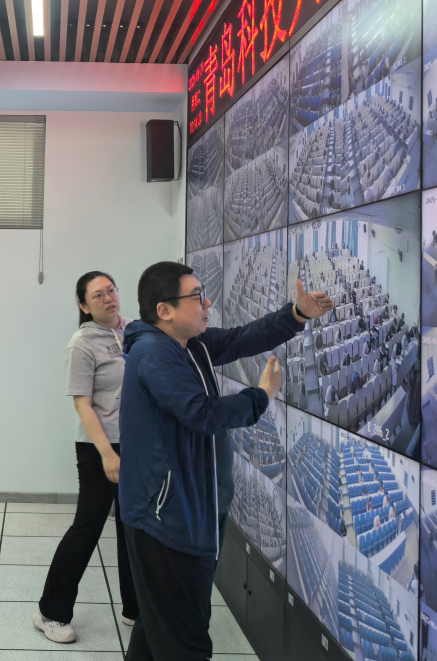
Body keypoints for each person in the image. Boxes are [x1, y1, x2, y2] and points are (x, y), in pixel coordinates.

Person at [118, 261, 333, 661]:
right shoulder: (154, 352)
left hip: (185, 512)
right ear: (164, 310)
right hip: (166, 519)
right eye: (197, 296)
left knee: (159, 627)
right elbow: (201, 414)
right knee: (186, 641)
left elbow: (240, 339)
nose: (207, 303)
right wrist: (262, 395)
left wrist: (296, 314)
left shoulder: (189, 343)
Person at [33, 272, 139, 644]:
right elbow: (83, 404)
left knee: (133, 525)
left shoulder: (135, 331)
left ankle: (135, 608)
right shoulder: (81, 344)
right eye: (98, 295)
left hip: (136, 444)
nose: (109, 298)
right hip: (98, 448)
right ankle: (50, 612)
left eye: (111, 290)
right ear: (83, 305)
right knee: (88, 526)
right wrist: (107, 453)